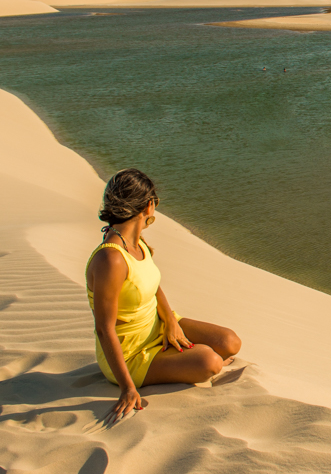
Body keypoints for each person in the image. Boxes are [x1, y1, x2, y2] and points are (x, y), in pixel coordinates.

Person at [86, 168, 241, 421]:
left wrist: (170, 321)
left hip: (157, 325)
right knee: (210, 362)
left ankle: (179, 353)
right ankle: (179, 362)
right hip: (130, 354)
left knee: (229, 342)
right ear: (148, 206)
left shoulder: (137, 243)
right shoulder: (111, 259)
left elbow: (152, 285)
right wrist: (127, 388)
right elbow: (105, 328)